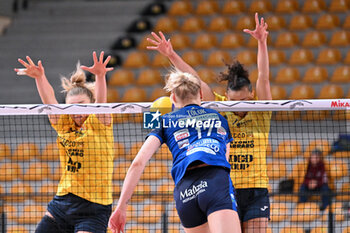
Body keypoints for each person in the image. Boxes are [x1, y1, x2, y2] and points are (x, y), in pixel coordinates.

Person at [147, 13, 271, 233]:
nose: (239, 105)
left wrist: (262, 42)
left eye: (243, 101)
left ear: (252, 95)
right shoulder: (219, 107)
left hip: (255, 189)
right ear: (226, 96)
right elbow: (195, 80)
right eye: (234, 101)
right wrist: (171, 55)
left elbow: (264, 77)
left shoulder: (261, 112)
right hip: (224, 185)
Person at [108, 71, 241, 233]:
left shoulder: (165, 121)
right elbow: (225, 160)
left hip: (185, 190)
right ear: (200, 93)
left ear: (172, 97)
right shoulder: (219, 118)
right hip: (215, 181)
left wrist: (121, 207)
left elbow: (138, 162)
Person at [15, 51, 115, 233]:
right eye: (72, 106)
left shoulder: (99, 123)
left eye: (82, 105)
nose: (76, 111)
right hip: (62, 203)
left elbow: (102, 102)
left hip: (94, 208)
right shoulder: (64, 125)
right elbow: (50, 102)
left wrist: (100, 76)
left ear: (91, 103)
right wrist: (40, 77)